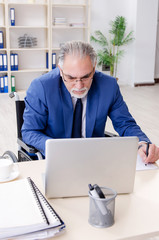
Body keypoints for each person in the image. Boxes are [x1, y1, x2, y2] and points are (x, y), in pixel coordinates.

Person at [22, 41, 159, 163]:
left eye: (86, 77)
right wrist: (58, 149)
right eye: (71, 78)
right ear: (60, 70)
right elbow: (30, 131)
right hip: (57, 161)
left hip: (95, 159)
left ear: (93, 69)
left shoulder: (108, 85)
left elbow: (125, 123)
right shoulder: (41, 87)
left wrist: (142, 143)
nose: (79, 86)